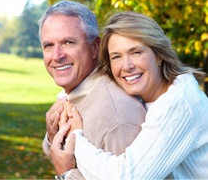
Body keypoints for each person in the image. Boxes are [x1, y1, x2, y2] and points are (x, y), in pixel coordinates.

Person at [50, 11, 208, 179]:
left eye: (136, 52)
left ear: (159, 54)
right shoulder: (148, 96)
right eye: (116, 57)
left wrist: (76, 139)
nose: (126, 66)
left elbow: (128, 176)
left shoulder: (179, 103)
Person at [38, 2, 146, 179]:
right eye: (49, 45)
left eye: (68, 42)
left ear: (95, 47)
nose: (57, 56)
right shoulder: (75, 95)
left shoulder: (118, 117)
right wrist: (52, 138)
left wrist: (66, 173)